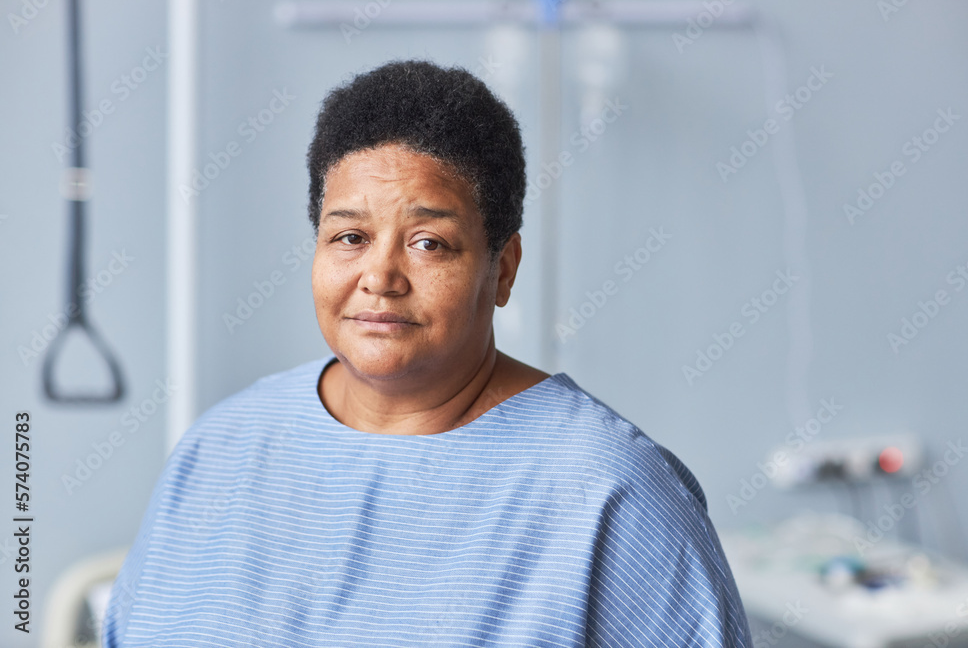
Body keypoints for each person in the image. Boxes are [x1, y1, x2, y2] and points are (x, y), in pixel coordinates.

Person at [102, 59, 752, 647]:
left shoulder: (609, 493)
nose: (380, 276)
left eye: (429, 243)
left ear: (503, 269)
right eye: (350, 236)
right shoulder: (221, 447)